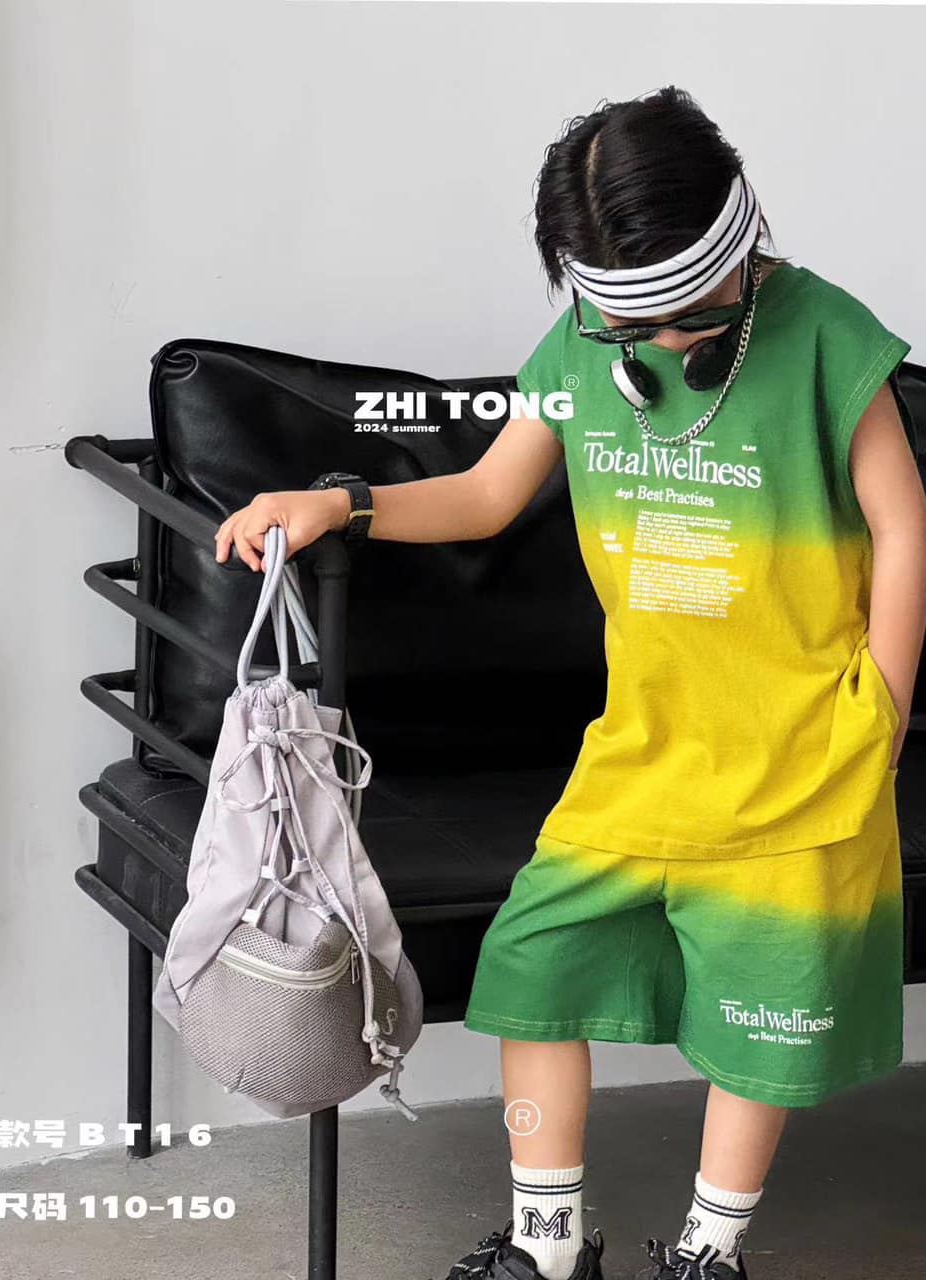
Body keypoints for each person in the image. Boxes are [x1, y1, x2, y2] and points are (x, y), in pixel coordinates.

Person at [214, 87, 926, 1280]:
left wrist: (885, 711)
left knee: (760, 1013)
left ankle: (707, 1253)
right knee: (533, 970)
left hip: (803, 746)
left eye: (684, 313)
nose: (657, 343)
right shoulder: (584, 346)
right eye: (627, 320)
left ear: (737, 237)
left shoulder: (827, 338)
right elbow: (488, 492)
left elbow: (903, 524)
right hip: (644, 747)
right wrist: (337, 501)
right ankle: (548, 1247)